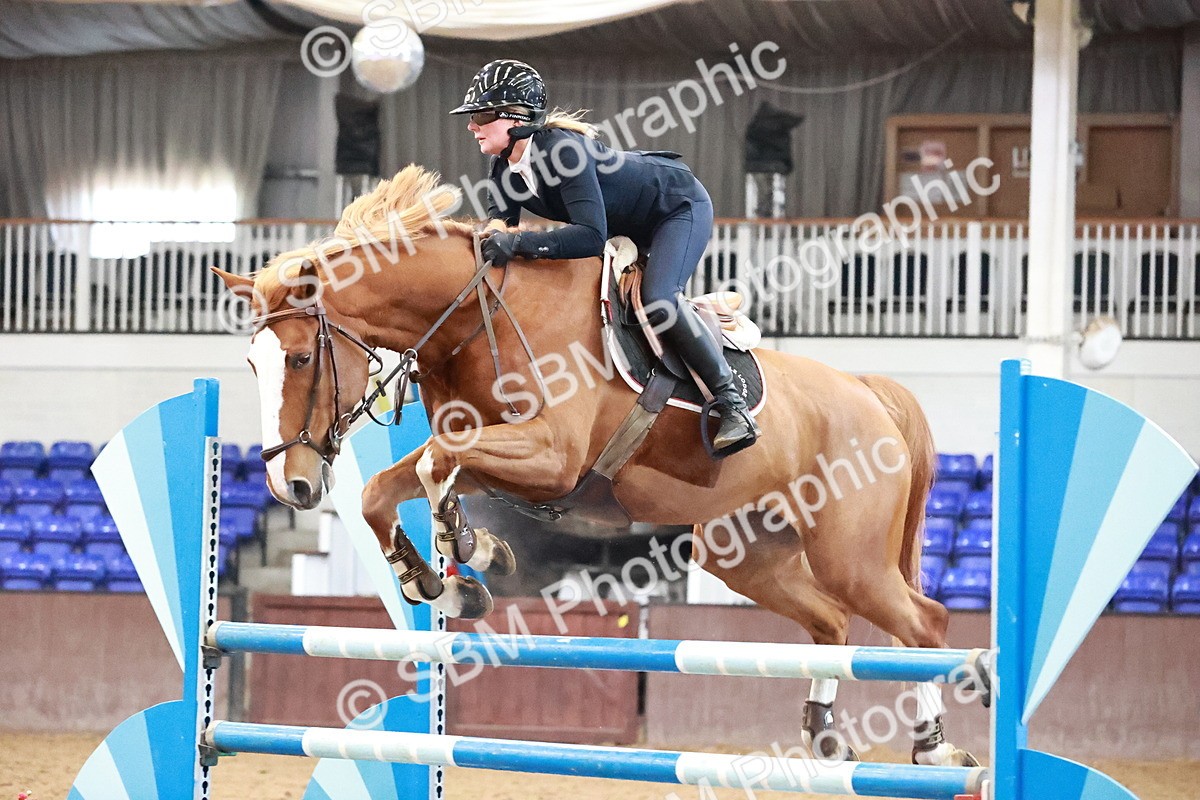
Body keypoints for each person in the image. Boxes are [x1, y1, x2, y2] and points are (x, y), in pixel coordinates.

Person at [450, 59, 760, 459]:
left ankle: (731, 403)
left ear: (516, 118)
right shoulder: (502, 168)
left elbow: (591, 237)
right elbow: (499, 239)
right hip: (624, 223)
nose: (471, 126)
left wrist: (521, 244)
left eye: (480, 116)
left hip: (675, 208)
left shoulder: (563, 150)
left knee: (659, 298)